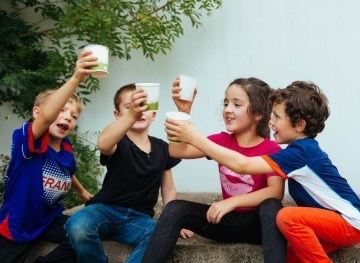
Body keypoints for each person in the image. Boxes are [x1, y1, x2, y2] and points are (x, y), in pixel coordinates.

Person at [164, 80, 360, 262]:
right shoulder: (296, 152)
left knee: (287, 217)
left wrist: (195, 137)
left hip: (349, 223)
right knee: (290, 257)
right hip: (334, 224)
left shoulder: (301, 152)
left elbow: (243, 165)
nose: (271, 121)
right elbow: (177, 150)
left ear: (300, 125)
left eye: (276, 116)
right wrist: (184, 117)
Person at [142, 77, 287, 263]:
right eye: (226, 103)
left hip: (258, 226)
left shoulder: (271, 149)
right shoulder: (221, 141)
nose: (227, 109)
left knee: (271, 206)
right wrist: (183, 112)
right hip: (225, 223)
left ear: (258, 113)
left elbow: (276, 192)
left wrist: (231, 202)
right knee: (174, 208)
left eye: (237, 104)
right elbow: (176, 150)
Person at [64, 83, 189, 263]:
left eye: (143, 107)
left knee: (164, 233)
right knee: (77, 226)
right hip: (103, 210)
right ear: (118, 115)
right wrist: (131, 116)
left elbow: (168, 189)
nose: (138, 111)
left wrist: (174, 220)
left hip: (139, 218)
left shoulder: (162, 147)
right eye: (130, 107)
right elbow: (104, 143)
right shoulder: (117, 141)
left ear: (153, 114)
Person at [0, 50, 97, 263]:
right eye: (61, 110)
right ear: (38, 112)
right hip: (19, 223)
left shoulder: (66, 148)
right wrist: (75, 79)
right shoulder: (28, 140)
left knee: (83, 238)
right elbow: (46, 117)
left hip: (48, 219)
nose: (67, 118)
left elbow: (66, 171)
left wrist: (82, 191)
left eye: (73, 116)